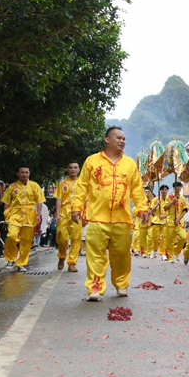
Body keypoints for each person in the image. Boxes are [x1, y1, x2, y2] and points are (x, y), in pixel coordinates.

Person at [71, 126, 150, 302]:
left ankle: (121, 284)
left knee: (122, 255)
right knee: (95, 256)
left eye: (124, 138)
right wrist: (76, 207)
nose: (122, 141)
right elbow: (82, 186)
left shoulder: (129, 163)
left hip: (122, 219)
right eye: (118, 138)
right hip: (97, 217)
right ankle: (95, 288)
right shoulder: (92, 161)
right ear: (107, 140)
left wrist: (141, 208)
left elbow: (136, 188)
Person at [3, 165, 46, 273]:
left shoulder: (34, 185)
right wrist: (6, 216)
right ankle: (11, 259)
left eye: (26, 172)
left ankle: (21, 263)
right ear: (18, 174)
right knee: (11, 236)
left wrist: (38, 214)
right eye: (22, 172)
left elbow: (39, 201)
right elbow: (7, 202)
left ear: (29, 173)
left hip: (30, 214)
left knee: (26, 240)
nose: (24, 174)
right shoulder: (12, 187)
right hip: (15, 213)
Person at [55, 161, 83, 272]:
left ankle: (72, 263)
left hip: (78, 212)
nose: (73, 169)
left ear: (79, 169)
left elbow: (86, 199)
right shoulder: (62, 183)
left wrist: (85, 214)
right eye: (70, 167)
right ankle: (62, 256)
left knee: (76, 238)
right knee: (62, 236)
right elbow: (58, 198)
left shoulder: (83, 183)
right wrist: (57, 213)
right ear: (67, 169)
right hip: (64, 212)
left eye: (75, 167)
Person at [163, 181, 188, 262]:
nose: (178, 188)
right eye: (177, 187)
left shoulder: (183, 199)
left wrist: (178, 219)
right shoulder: (169, 197)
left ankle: (176, 251)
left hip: (180, 222)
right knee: (170, 240)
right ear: (173, 188)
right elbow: (165, 208)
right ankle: (170, 257)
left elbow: (185, 210)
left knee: (183, 237)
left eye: (180, 187)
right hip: (170, 221)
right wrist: (172, 202)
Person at [149, 184, 169, 259]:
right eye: (162, 189)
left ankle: (162, 253)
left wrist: (164, 216)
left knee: (164, 237)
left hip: (165, 220)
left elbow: (171, 212)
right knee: (155, 237)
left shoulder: (169, 199)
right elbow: (151, 211)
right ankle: (153, 250)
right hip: (156, 220)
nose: (164, 191)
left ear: (167, 190)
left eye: (165, 189)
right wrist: (157, 204)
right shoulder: (155, 200)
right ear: (160, 191)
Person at [136, 188, 153, 257]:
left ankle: (149, 251)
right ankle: (143, 252)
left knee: (150, 237)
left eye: (148, 192)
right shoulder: (141, 202)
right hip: (142, 222)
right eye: (145, 192)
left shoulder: (153, 201)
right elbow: (136, 212)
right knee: (142, 238)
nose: (147, 193)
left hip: (150, 222)